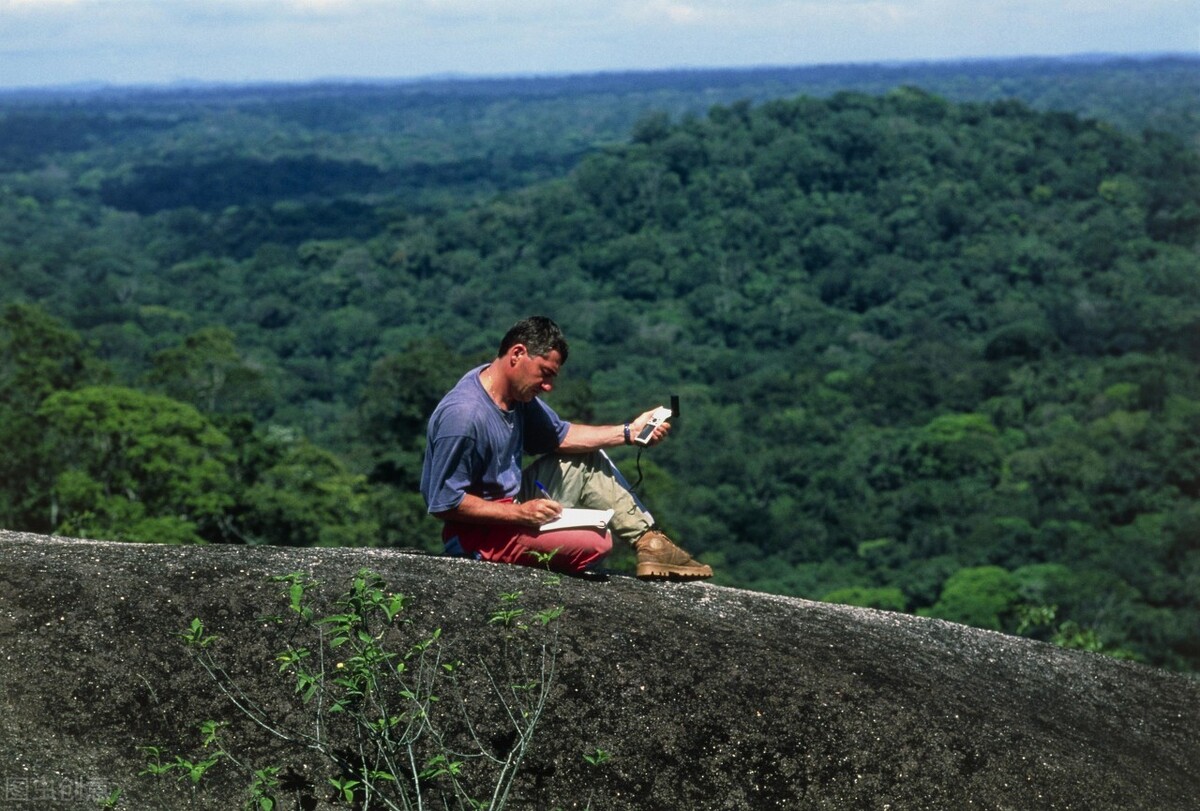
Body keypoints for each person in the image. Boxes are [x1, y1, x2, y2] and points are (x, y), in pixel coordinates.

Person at [420, 315, 712, 580]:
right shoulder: (464, 415)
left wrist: (629, 432)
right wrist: (521, 515)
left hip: (512, 503)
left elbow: (560, 436)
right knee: (598, 542)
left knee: (584, 459)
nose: (547, 386)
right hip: (476, 533)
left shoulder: (515, 396)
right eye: (544, 373)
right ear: (517, 354)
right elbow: (444, 501)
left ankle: (651, 543)